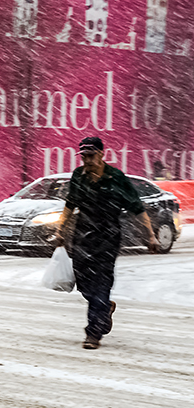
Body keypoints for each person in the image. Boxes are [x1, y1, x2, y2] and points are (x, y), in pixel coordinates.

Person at [55, 136, 158, 350]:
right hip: (82, 238)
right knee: (84, 285)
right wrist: (60, 229)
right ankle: (105, 308)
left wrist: (150, 235)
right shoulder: (78, 176)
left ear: (102, 154)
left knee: (101, 284)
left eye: (91, 155)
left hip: (107, 239)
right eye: (84, 156)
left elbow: (137, 208)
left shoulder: (116, 178)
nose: (87, 160)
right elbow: (69, 205)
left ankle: (94, 332)